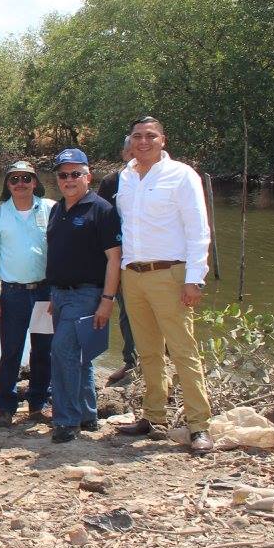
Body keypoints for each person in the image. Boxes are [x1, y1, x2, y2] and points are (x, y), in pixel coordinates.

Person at [113, 116, 214, 454]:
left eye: (150, 136)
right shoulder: (126, 177)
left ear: (162, 140)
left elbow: (198, 229)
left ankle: (198, 425)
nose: (144, 142)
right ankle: (153, 417)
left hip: (170, 274)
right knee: (148, 351)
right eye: (138, 136)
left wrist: (194, 279)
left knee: (183, 350)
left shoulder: (182, 175)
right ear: (131, 140)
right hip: (133, 274)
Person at [44, 149, 121, 444]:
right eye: (63, 175)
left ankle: (66, 421)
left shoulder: (101, 210)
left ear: (88, 176)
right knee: (80, 357)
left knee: (61, 351)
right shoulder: (57, 209)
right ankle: (88, 415)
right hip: (60, 295)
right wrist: (55, 292)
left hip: (88, 294)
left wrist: (108, 299)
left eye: (76, 174)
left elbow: (114, 259)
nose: (69, 180)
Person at [0, 161, 57, 427]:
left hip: (45, 292)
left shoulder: (51, 209)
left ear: (35, 182)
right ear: (7, 184)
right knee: (11, 351)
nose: (20, 183)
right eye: (14, 179)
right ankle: (6, 407)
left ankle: (38, 404)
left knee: (43, 351)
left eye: (26, 178)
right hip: (12, 293)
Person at [96, 136, 138, 383]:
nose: (136, 154)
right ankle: (131, 362)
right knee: (126, 314)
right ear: (124, 154)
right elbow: (99, 221)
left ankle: (166, 363)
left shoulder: (169, 179)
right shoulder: (112, 182)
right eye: (130, 150)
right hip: (120, 259)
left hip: (159, 262)